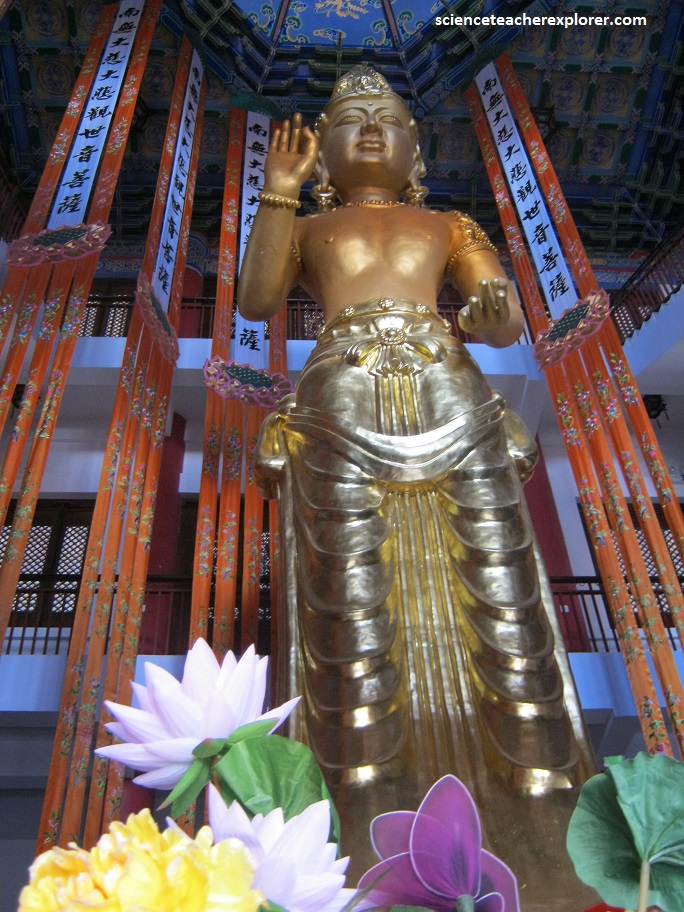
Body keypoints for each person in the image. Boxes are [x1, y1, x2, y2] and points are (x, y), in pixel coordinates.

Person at [239, 68, 595, 897]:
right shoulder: (308, 225)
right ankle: (363, 817)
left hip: (448, 383)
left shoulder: (449, 224)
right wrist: (279, 191)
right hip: (339, 394)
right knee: (349, 599)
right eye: (350, 119)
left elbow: (502, 317)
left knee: (501, 597)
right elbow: (257, 300)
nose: (370, 129)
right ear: (323, 153)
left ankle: (539, 819)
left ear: (416, 150)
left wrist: (488, 311)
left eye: (387, 118)